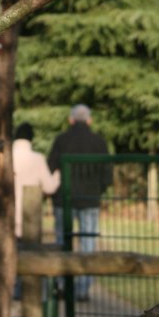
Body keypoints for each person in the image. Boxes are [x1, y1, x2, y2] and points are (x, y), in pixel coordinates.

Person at [48, 104, 112, 302]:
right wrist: (97, 190)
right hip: (89, 200)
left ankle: (59, 286)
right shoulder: (99, 143)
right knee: (88, 244)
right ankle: (82, 290)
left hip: (63, 200)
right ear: (90, 121)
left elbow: (51, 167)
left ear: (71, 120)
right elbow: (107, 175)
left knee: (61, 242)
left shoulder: (61, 140)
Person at [12, 122, 60, 239]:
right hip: (30, 217)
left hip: (7, 216)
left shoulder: (7, 157)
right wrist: (58, 174)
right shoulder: (38, 159)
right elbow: (49, 187)